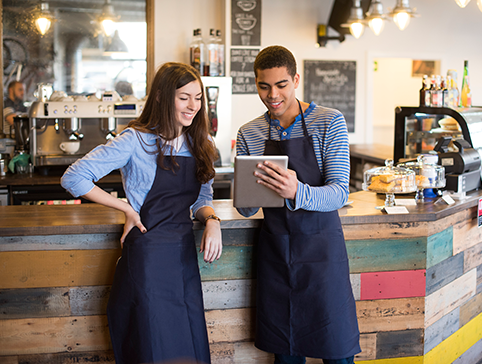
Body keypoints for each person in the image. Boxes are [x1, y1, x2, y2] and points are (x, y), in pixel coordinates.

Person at [61, 62, 222, 364]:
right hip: (147, 256)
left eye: (198, 97)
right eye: (184, 97)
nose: (193, 106)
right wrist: (125, 207)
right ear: (161, 97)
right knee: (153, 347)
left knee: (189, 347)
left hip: (183, 257)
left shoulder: (201, 142)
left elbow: (202, 195)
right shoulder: (135, 140)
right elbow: (73, 178)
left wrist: (212, 220)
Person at [235, 46, 360, 363]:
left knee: (338, 352)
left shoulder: (329, 122)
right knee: (286, 354)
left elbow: (339, 193)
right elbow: (248, 209)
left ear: (296, 80)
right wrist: (245, 192)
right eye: (264, 86)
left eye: (281, 85)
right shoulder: (249, 133)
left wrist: (297, 191)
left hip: (322, 256)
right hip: (277, 256)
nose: (272, 95)